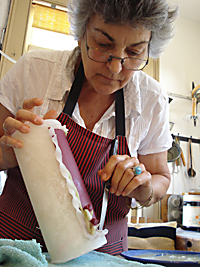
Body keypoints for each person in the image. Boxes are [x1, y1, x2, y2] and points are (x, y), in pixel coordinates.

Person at [0, 0, 178, 255]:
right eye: (104, 45)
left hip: (100, 255)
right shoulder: (34, 69)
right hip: (13, 244)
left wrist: (144, 188)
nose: (116, 68)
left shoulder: (152, 100)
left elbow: (161, 178)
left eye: (135, 52)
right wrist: (6, 155)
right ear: (82, 32)